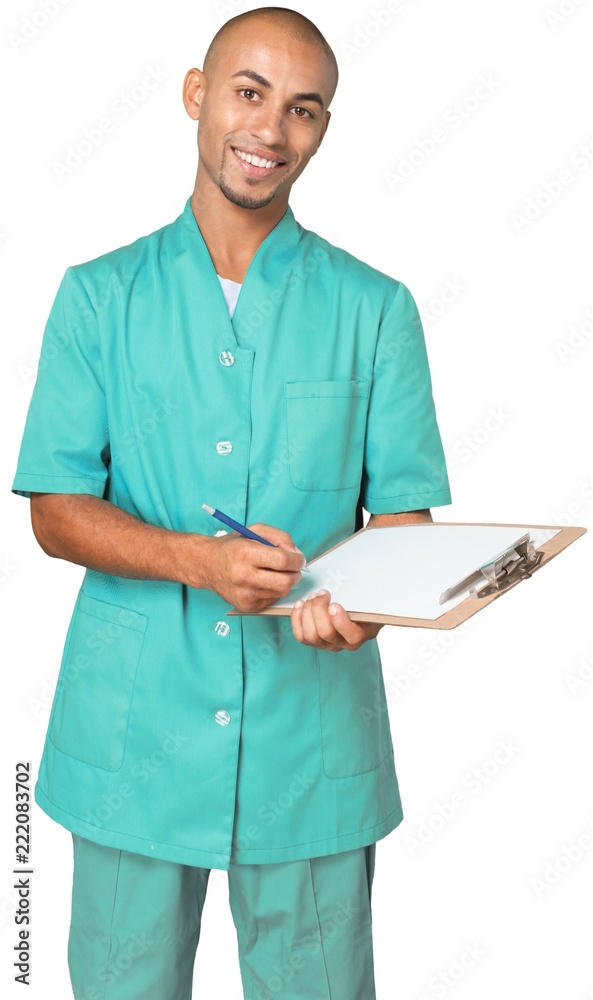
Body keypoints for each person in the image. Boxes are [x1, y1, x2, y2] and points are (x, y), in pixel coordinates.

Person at [11, 7, 452, 998]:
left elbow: (403, 531)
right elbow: (53, 509)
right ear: (196, 96)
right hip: (132, 742)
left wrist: (366, 611)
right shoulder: (98, 297)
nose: (269, 130)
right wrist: (197, 561)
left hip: (311, 746)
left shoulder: (373, 310)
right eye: (248, 92)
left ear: (322, 129)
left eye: (302, 109)